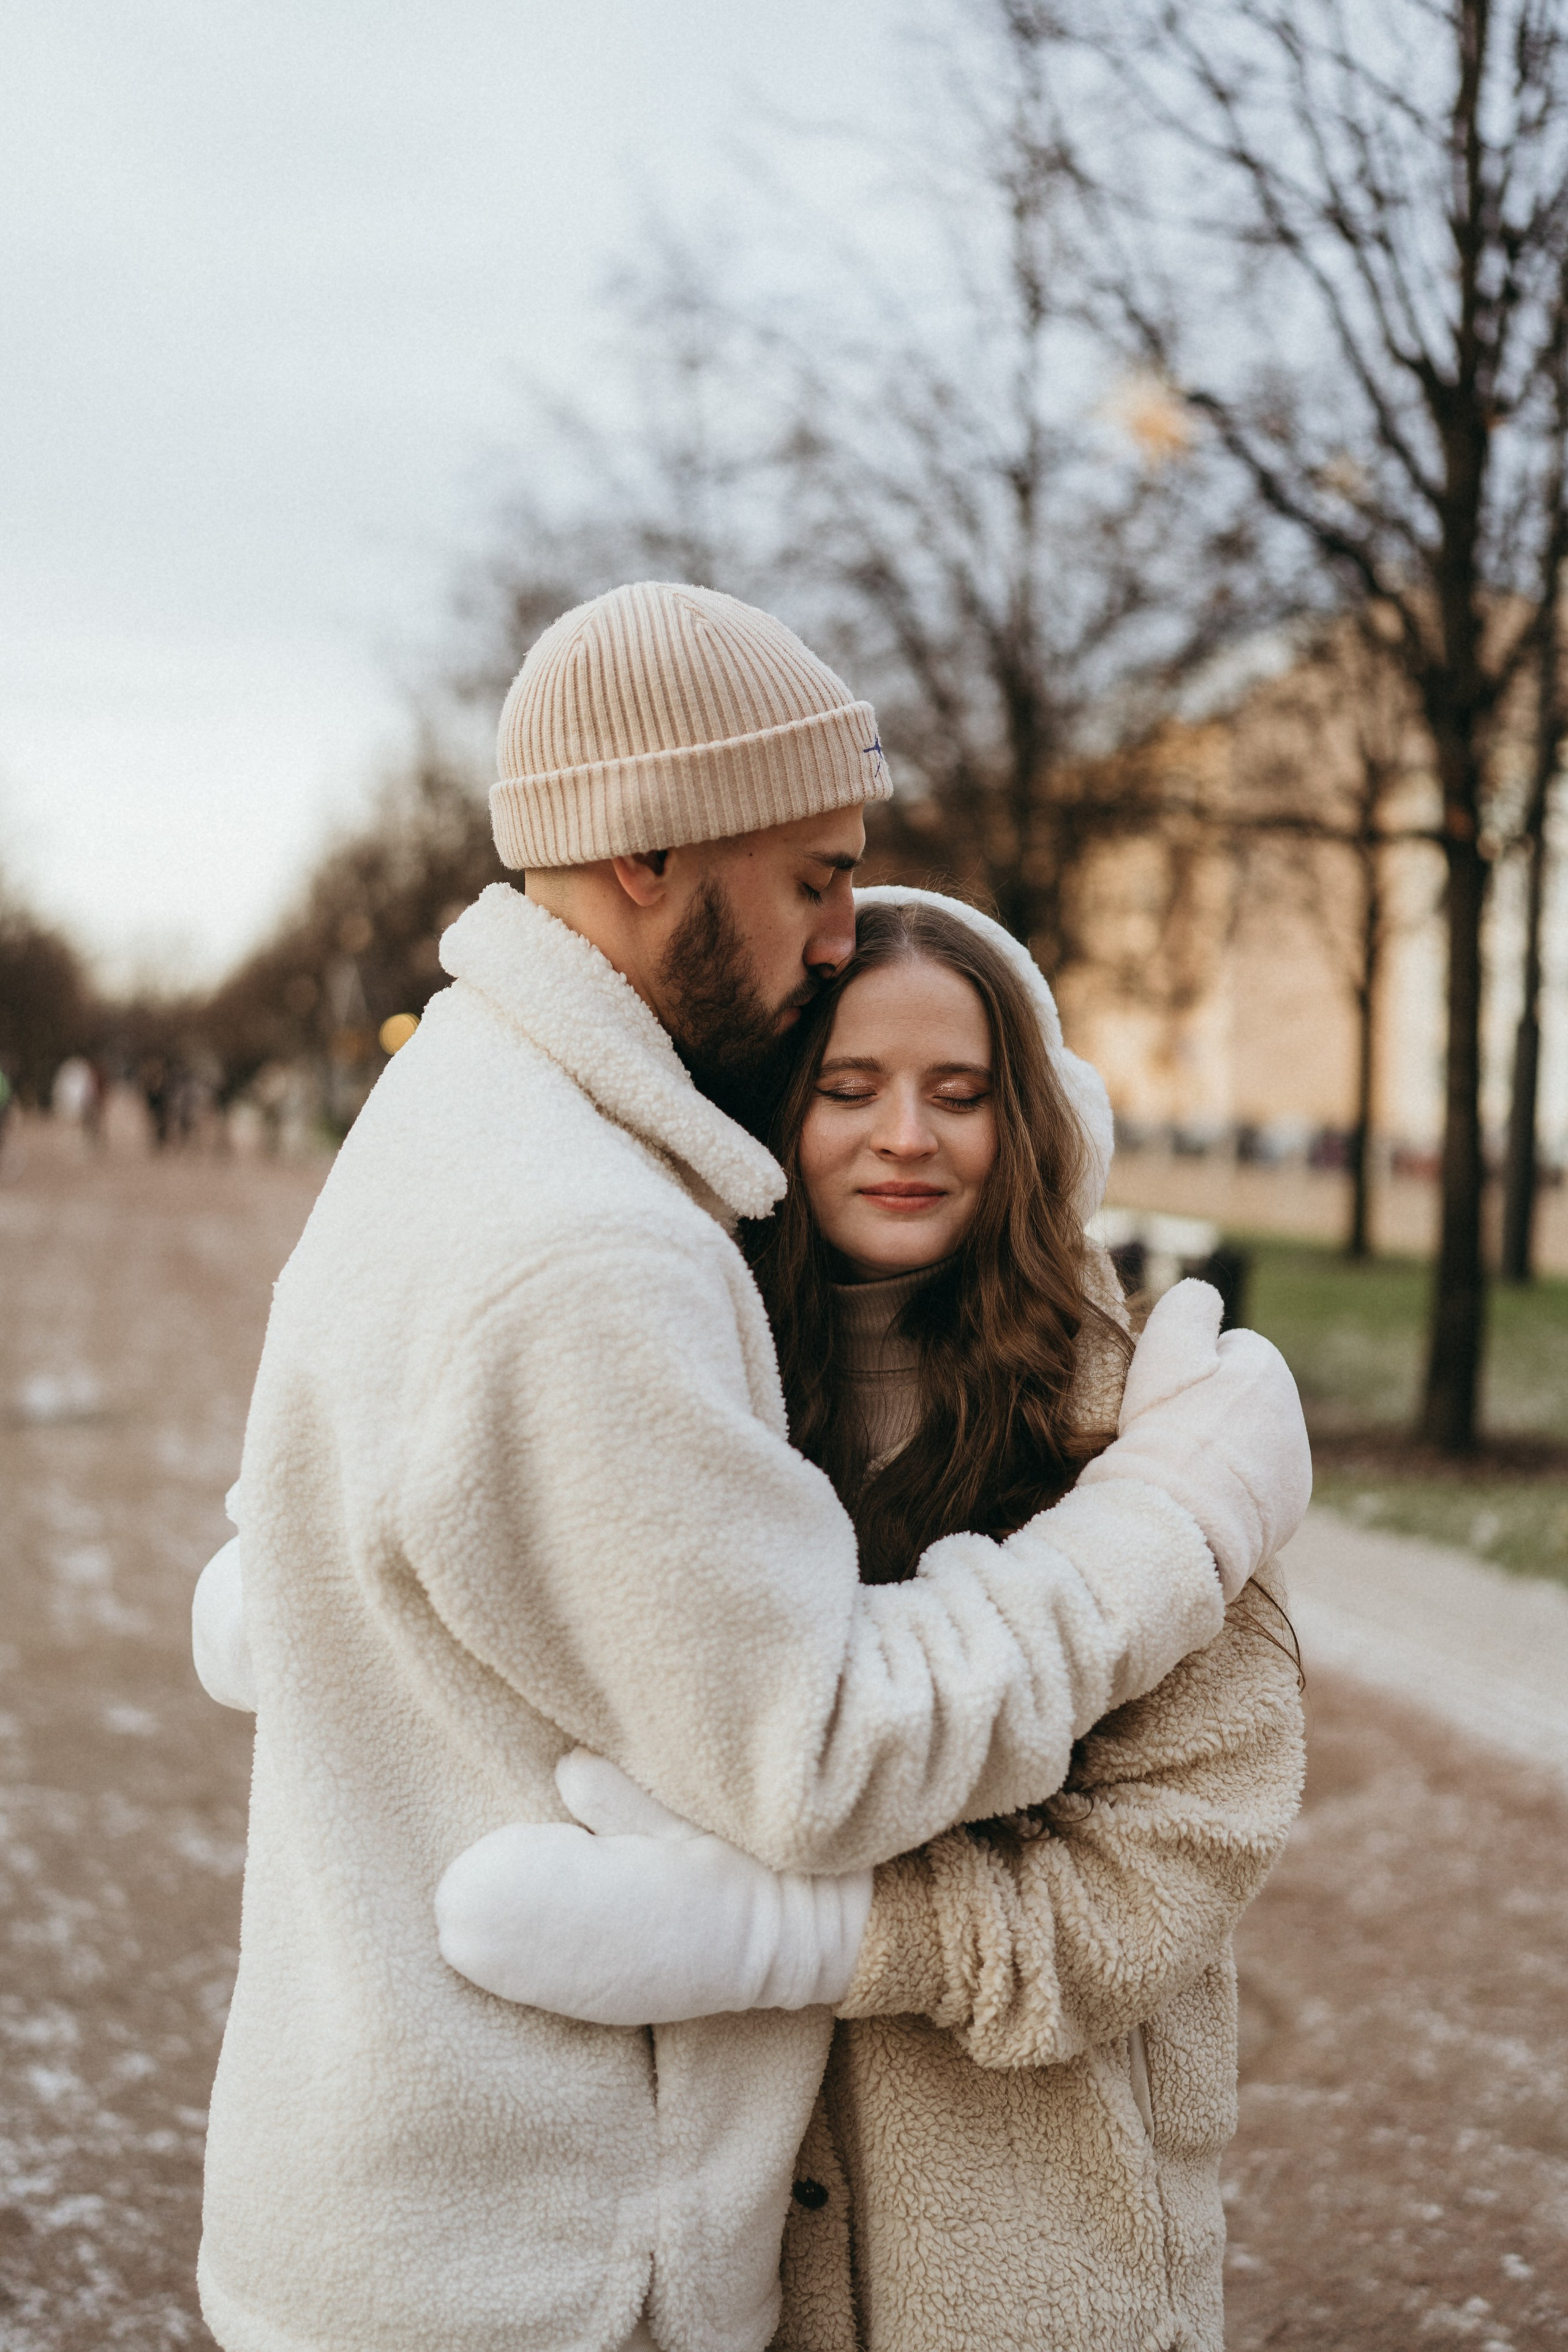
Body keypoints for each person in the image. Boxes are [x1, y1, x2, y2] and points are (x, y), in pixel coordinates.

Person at [190, 582, 1310, 2352]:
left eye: (961, 1091)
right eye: (813, 876)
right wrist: (1174, 1516)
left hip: (546, 2234)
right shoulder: (594, 1251)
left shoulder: (476, 1118)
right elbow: (822, 1750)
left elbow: (1178, 1842)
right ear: (650, 854)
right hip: (526, 2269)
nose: (833, 929)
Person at [434, 891, 1306, 2351]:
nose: (905, 1134)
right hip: (723, 2268)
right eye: (848, 1089)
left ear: (1018, 1121)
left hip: (1036, 2261)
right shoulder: (679, 1416)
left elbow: (1171, 1860)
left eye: (957, 1094)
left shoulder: (1138, 1427)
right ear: (774, 1114)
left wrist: (817, 1940)